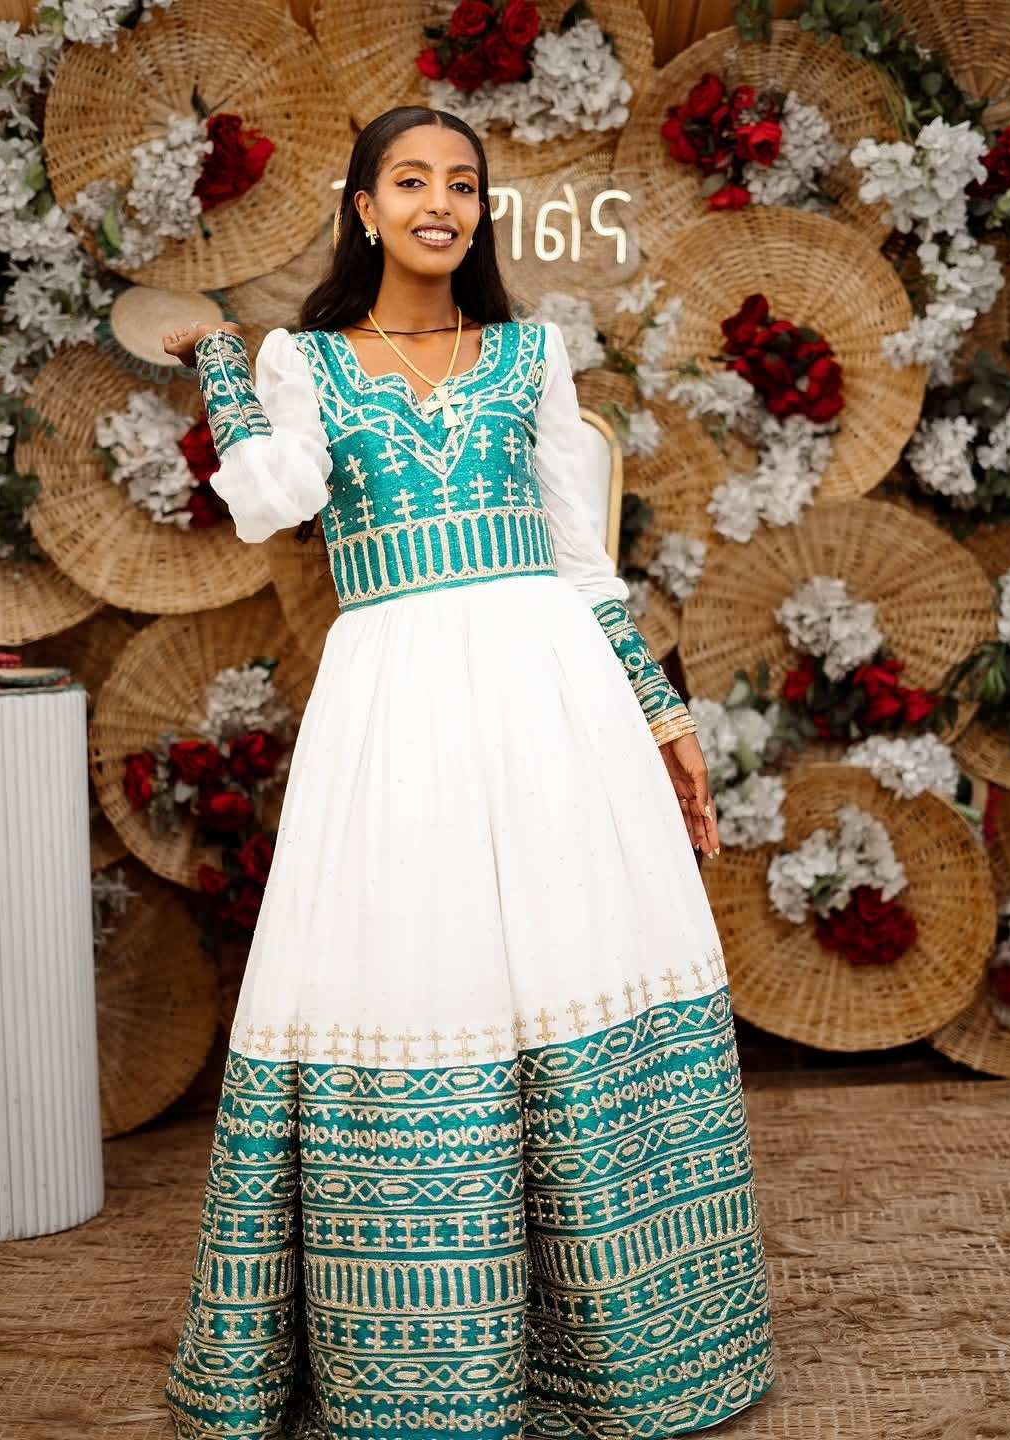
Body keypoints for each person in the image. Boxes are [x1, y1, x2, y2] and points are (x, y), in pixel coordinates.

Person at [161, 105, 775, 1440]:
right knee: (416, 966)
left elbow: (582, 564)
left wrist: (663, 724)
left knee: (567, 954)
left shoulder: (527, 355)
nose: (439, 201)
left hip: (550, 696)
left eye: (462, 183)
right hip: (395, 711)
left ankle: (616, 1349)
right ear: (366, 208)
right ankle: (427, 1367)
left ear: (479, 211)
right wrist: (219, 364)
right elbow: (273, 497)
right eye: (410, 180)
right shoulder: (306, 360)